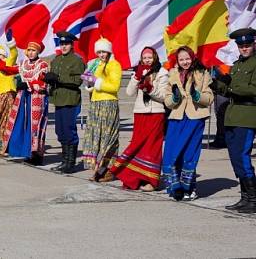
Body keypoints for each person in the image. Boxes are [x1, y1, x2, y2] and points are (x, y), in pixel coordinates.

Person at [211, 27, 256, 213]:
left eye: (247, 45)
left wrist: (230, 88)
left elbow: (252, 89)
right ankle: (244, 197)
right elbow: (227, 87)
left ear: (254, 44)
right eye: (241, 46)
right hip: (232, 114)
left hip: (247, 115)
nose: (244, 48)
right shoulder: (237, 65)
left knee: (243, 157)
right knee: (235, 158)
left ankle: (253, 199)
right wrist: (217, 82)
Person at [110, 47, 168, 191]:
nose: (147, 60)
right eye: (144, 57)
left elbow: (163, 96)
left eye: (150, 57)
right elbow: (129, 92)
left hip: (156, 113)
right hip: (140, 112)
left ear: (155, 57)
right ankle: (134, 177)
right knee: (138, 145)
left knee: (152, 146)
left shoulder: (162, 73)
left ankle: (151, 181)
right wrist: (136, 78)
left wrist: (150, 89)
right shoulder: (138, 71)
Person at [161, 45, 212, 201]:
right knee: (171, 152)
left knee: (189, 153)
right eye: (181, 59)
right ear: (177, 60)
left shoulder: (202, 73)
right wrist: (175, 98)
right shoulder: (173, 74)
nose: (185, 62)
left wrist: (196, 95)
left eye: (187, 58)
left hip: (195, 118)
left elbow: (209, 98)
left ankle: (189, 187)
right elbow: (167, 100)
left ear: (193, 58)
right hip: (177, 117)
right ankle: (175, 186)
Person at [0, 40, 49, 164]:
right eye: (29, 50)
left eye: (34, 50)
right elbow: (8, 70)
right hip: (23, 98)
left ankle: (36, 155)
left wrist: (27, 84)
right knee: (21, 123)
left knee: (35, 126)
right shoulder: (23, 63)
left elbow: (43, 84)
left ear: (38, 52)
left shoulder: (42, 65)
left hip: (36, 99)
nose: (31, 53)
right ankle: (24, 151)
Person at [81, 38, 122, 182]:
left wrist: (95, 81)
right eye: (99, 52)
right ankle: (99, 169)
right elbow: (89, 82)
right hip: (96, 103)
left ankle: (108, 169)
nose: (101, 55)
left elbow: (114, 86)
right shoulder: (97, 64)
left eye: (104, 51)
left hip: (108, 103)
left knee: (107, 138)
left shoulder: (114, 65)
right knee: (96, 138)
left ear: (109, 51)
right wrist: (88, 79)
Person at [45, 32, 86, 173]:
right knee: (60, 131)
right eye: (61, 44)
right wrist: (49, 80)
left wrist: (59, 79)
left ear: (71, 45)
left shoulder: (77, 61)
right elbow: (54, 79)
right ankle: (64, 160)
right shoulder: (56, 60)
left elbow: (77, 81)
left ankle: (70, 163)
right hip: (58, 99)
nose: (63, 47)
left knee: (69, 130)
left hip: (70, 99)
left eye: (66, 44)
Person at [0, 33, 18, 156]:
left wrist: (10, 43)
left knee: (6, 121)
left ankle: (4, 147)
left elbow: (14, 54)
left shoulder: (7, 63)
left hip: (8, 95)